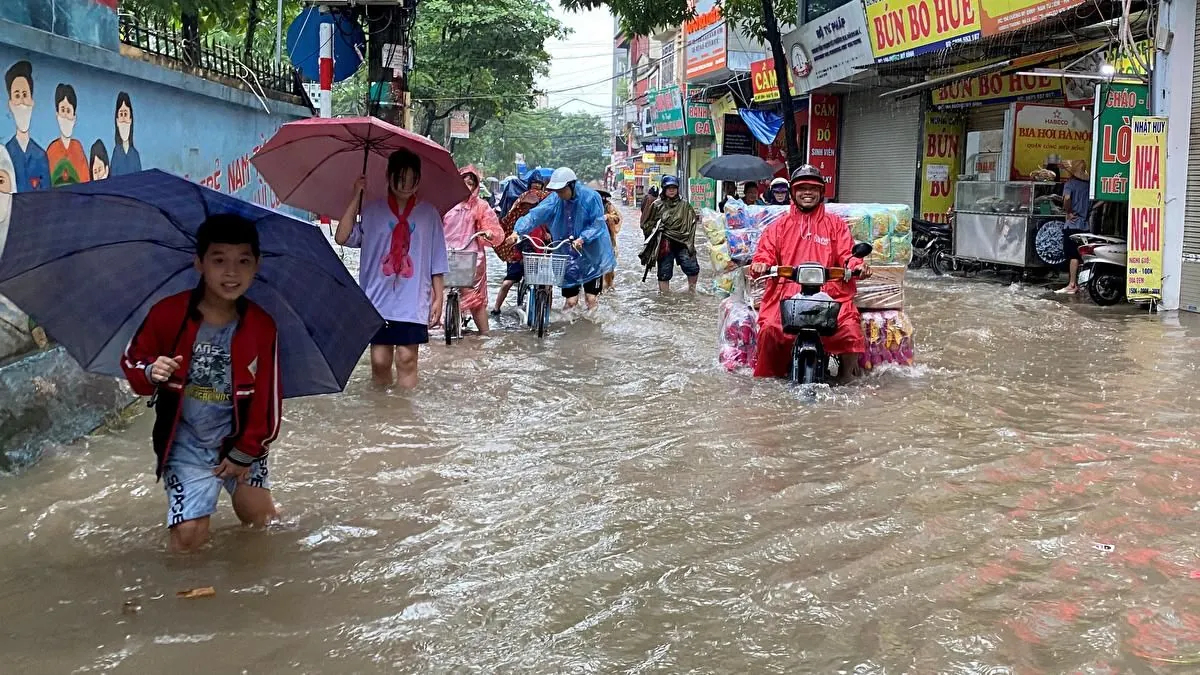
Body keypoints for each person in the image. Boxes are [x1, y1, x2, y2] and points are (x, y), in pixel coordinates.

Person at [120, 214, 281, 553]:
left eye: (243, 261)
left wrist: (244, 454)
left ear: (257, 265)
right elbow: (134, 360)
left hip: (239, 441)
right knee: (189, 538)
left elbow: (269, 402)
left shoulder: (262, 327)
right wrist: (152, 370)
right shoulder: (168, 314)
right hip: (186, 443)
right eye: (219, 260)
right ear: (199, 262)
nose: (231, 272)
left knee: (263, 523)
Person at [335, 149, 447, 389]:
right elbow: (342, 236)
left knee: (406, 358)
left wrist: (439, 297)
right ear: (388, 176)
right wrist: (356, 195)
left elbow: (437, 258)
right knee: (379, 360)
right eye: (400, 178)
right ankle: (381, 415)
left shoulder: (429, 214)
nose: (406, 185)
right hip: (377, 298)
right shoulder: (372, 211)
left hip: (413, 297)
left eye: (412, 179)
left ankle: (405, 417)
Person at [750, 165, 872, 381]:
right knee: (770, 329)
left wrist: (857, 265)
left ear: (821, 193)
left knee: (849, 327)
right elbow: (765, 253)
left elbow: (847, 253)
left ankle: (848, 380)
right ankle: (767, 382)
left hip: (830, 292)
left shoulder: (836, 225)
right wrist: (761, 263)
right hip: (786, 294)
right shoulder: (778, 227)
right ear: (793, 193)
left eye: (813, 188)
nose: (807, 192)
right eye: (802, 188)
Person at [505, 167, 616, 312]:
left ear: (572, 185)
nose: (560, 194)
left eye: (562, 190)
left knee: (591, 299)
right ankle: (568, 330)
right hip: (567, 256)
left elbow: (597, 224)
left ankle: (592, 331)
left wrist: (582, 239)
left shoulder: (591, 198)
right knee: (571, 302)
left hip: (591, 256)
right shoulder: (555, 200)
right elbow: (535, 216)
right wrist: (516, 232)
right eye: (557, 191)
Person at [442, 166, 502, 334]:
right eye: (464, 182)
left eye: (470, 183)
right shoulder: (445, 203)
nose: (466, 186)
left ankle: (485, 334)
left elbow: (491, 227)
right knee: (431, 293)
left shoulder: (480, 206)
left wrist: (489, 232)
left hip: (470, 256)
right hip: (445, 254)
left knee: (474, 299)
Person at [492, 176, 550, 315]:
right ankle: (496, 309)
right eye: (525, 207)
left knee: (546, 285)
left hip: (539, 255)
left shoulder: (545, 209)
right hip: (520, 254)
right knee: (507, 283)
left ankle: (546, 311)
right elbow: (508, 221)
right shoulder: (519, 214)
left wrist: (548, 235)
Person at [641, 175, 700, 294]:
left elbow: (692, 224)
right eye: (669, 188)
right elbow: (646, 225)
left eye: (674, 187)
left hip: (683, 241)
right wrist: (656, 228)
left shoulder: (685, 205)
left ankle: (692, 290)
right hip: (665, 241)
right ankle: (665, 296)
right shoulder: (657, 205)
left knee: (692, 267)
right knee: (664, 271)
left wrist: (689, 241)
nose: (672, 190)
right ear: (664, 189)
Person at [1057, 159, 1094, 295]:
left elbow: (1066, 199)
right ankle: (1081, 283)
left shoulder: (1070, 184)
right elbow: (1101, 200)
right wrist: (1090, 210)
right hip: (1085, 226)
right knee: (1082, 255)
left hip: (1072, 225)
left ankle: (1072, 284)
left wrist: (1069, 211)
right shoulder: (1089, 186)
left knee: (1073, 256)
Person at [600, 189, 622, 290]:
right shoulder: (589, 205)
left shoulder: (608, 205)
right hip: (592, 239)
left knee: (609, 264)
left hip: (607, 238)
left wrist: (607, 217)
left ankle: (609, 284)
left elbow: (617, 218)